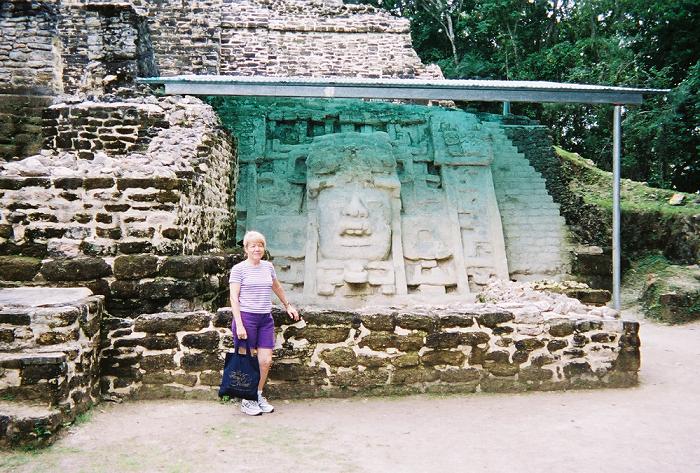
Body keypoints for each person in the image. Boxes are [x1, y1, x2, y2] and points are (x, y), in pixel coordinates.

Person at [229, 230, 300, 416]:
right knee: (247, 361)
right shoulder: (239, 269)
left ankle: (257, 394)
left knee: (265, 360)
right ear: (246, 248)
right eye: (253, 245)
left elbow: (276, 287)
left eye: (260, 245)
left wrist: (288, 306)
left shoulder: (268, 267)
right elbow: (234, 298)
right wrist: (240, 324)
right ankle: (247, 399)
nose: (257, 248)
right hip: (246, 318)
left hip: (265, 318)